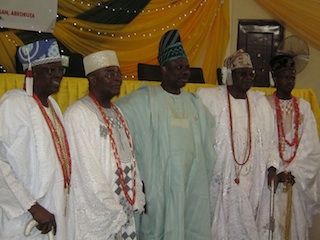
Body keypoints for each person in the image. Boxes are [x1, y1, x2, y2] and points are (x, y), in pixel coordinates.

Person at [115, 29, 216, 240]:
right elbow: (117, 112)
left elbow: (210, 137)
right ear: (163, 69)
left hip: (191, 184)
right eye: (178, 67)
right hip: (160, 185)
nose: (185, 72)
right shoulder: (147, 99)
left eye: (187, 68)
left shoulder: (195, 103)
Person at [64, 50, 145, 239]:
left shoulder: (118, 112)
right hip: (99, 210)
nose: (117, 79)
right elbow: (86, 170)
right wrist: (110, 207)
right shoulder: (77, 114)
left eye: (118, 74)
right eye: (109, 74)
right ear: (92, 79)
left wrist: (136, 191)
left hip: (124, 201)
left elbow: (130, 158)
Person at [197, 49, 275, 240]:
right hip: (221, 176)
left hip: (252, 176)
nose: (248, 78)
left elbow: (271, 138)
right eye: (242, 73)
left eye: (251, 73)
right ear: (230, 75)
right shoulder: (210, 99)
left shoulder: (260, 103)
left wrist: (273, 166)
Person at [0, 39, 71, 239]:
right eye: (50, 70)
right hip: (23, 217)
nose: (58, 75)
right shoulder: (13, 104)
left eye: (60, 69)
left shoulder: (54, 107)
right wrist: (32, 207)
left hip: (55, 209)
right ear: (32, 72)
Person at [257, 54, 320, 240]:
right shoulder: (262, 104)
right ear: (274, 78)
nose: (289, 81)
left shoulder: (304, 107)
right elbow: (262, 139)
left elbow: (311, 146)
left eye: (292, 77)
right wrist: (274, 168)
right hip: (270, 178)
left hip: (295, 180)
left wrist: (293, 172)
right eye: (285, 77)